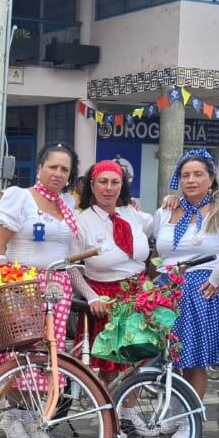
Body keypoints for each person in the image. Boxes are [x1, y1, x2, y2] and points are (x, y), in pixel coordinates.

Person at [0, 142, 99, 438]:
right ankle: (11, 414)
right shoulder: (20, 198)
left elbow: (69, 261)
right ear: (39, 168)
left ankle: (30, 414)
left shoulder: (67, 207)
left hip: (56, 292)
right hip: (21, 286)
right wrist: (5, 287)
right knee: (17, 353)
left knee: (45, 357)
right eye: (52, 167)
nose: (58, 173)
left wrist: (90, 294)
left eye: (65, 169)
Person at [151, 150, 219, 403]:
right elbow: (157, 255)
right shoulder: (165, 212)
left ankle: (189, 416)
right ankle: (171, 411)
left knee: (194, 361)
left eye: (198, 174)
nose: (191, 180)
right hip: (166, 291)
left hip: (203, 291)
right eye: (185, 175)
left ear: (211, 179)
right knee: (168, 358)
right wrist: (148, 287)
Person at [76, 160, 150, 381]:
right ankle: (109, 404)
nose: (108, 188)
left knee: (138, 362)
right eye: (103, 182)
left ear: (122, 185)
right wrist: (91, 297)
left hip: (138, 294)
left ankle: (129, 404)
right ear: (92, 185)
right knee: (110, 366)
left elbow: (163, 226)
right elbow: (71, 268)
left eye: (115, 182)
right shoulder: (81, 221)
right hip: (104, 298)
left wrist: (171, 201)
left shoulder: (132, 213)